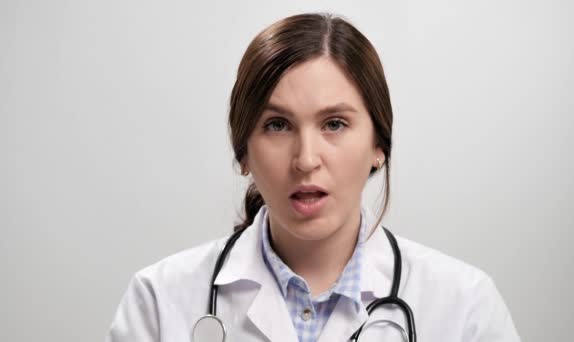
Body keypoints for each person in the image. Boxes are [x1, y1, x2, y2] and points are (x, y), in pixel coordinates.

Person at [106, 13, 521, 342]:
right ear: (243, 151)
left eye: (335, 124)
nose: (305, 160)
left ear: (379, 145)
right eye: (277, 125)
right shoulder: (160, 300)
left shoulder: (465, 305)